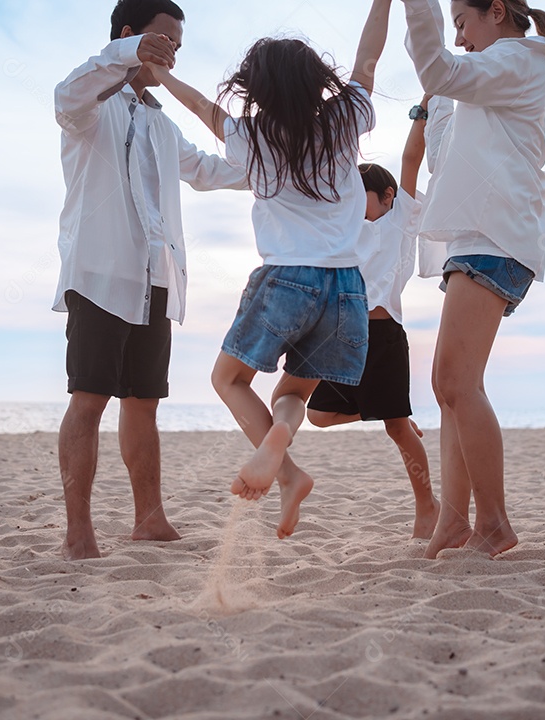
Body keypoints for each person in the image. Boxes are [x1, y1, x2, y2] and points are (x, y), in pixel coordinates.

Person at [151, 0, 394, 538]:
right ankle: (286, 466)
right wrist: (383, 3)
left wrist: (161, 74)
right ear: (316, 83)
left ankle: (282, 463)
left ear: (257, 91)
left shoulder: (253, 137)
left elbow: (198, 108)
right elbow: (368, 62)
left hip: (286, 278)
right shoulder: (345, 120)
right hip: (347, 289)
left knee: (227, 378)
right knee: (291, 396)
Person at [52, 0, 248, 561]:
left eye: (177, 48)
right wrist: (126, 55)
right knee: (88, 401)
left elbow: (212, 171)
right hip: (98, 274)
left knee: (144, 402)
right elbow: (65, 96)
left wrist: (281, 158)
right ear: (131, 35)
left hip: (154, 282)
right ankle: (79, 531)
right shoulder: (89, 106)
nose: (172, 56)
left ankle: (149, 518)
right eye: (164, 43)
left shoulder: (162, 124)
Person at [401, 0, 545, 558]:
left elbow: (440, 67)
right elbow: (441, 155)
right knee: (448, 388)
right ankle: (452, 524)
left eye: (462, 23)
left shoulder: (517, 60)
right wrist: (431, 104)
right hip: (474, 237)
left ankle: (493, 523)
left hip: (496, 236)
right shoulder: (487, 76)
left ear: (496, 12)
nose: (459, 38)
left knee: (457, 381)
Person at [306, 106, 440, 540]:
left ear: (386, 195)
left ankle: (428, 505)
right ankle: (381, 404)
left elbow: (410, 160)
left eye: (360, 195)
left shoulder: (401, 216)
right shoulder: (348, 228)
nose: (352, 204)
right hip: (345, 334)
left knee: (397, 429)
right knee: (317, 415)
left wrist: (422, 112)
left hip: (383, 335)